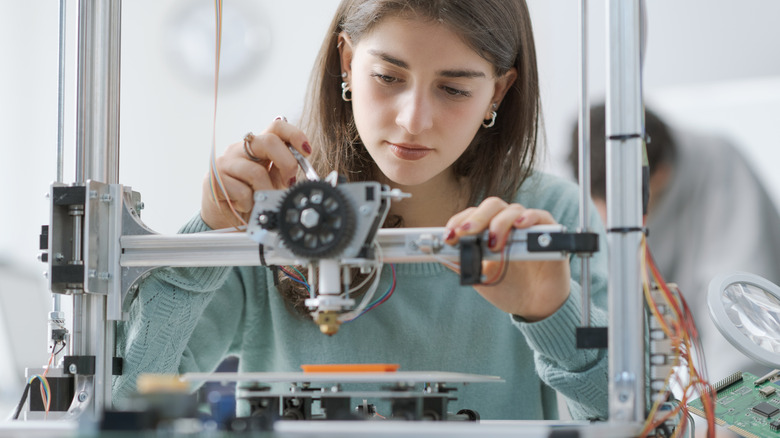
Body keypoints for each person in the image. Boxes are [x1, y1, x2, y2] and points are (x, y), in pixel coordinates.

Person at [114, 0, 609, 421]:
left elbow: (645, 421)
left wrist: (552, 316)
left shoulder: (548, 217)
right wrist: (212, 234)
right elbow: (122, 404)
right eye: (388, 76)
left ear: (497, 92)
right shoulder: (274, 212)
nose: (413, 120)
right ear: (347, 63)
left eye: (454, 89)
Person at [568, 103, 780, 380]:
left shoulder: (719, 166)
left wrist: (719, 416)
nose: (608, 219)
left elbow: (745, 313)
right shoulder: (586, 179)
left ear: (661, 174)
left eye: (624, 205)